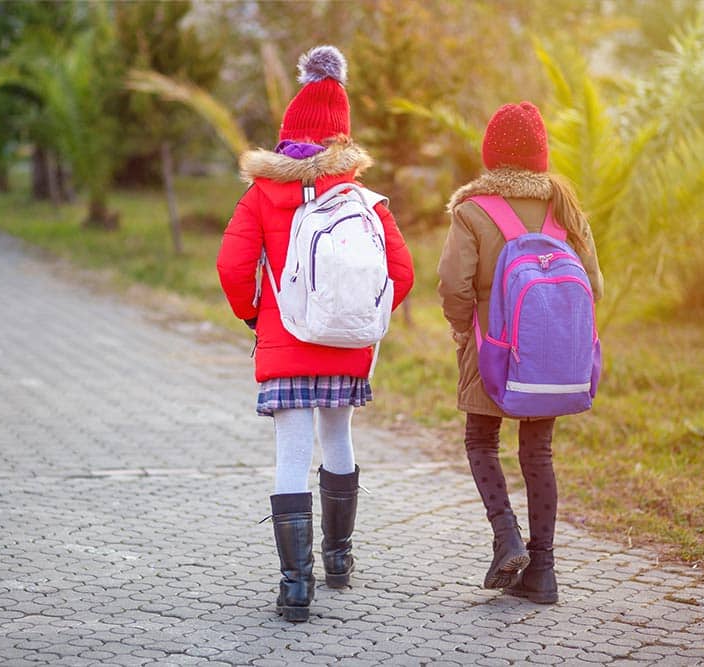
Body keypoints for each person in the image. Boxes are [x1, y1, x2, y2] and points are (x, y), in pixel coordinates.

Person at [217, 45, 414, 622]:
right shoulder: (363, 199)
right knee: (340, 441)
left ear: (287, 135)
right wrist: (360, 319)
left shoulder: (261, 194)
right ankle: (340, 558)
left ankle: (294, 587)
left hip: (285, 343)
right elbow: (400, 273)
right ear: (343, 139)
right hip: (346, 347)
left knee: (291, 453)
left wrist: (255, 315)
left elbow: (232, 268)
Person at [437, 102, 604, 603]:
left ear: (491, 156)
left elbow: (452, 284)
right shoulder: (566, 208)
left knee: (481, 441)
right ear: (540, 155)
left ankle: (506, 535)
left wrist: (463, 330)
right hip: (549, 356)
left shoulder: (472, 211)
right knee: (538, 453)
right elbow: (594, 284)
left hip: (492, 348)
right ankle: (544, 572)